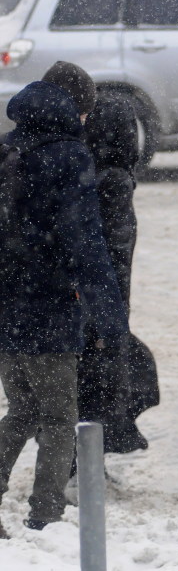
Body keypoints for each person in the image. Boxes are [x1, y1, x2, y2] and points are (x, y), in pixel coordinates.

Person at [0, 62, 128, 538]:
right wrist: (110, 320)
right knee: (59, 417)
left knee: (22, 409)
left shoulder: (9, 145)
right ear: (79, 108)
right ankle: (47, 514)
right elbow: (86, 246)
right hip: (48, 307)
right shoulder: (68, 156)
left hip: (8, 306)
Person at [78, 94, 152, 455]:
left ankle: (86, 463)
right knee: (96, 387)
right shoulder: (112, 182)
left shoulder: (86, 171)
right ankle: (81, 469)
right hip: (98, 311)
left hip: (89, 308)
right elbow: (113, 258)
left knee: (90, 387)